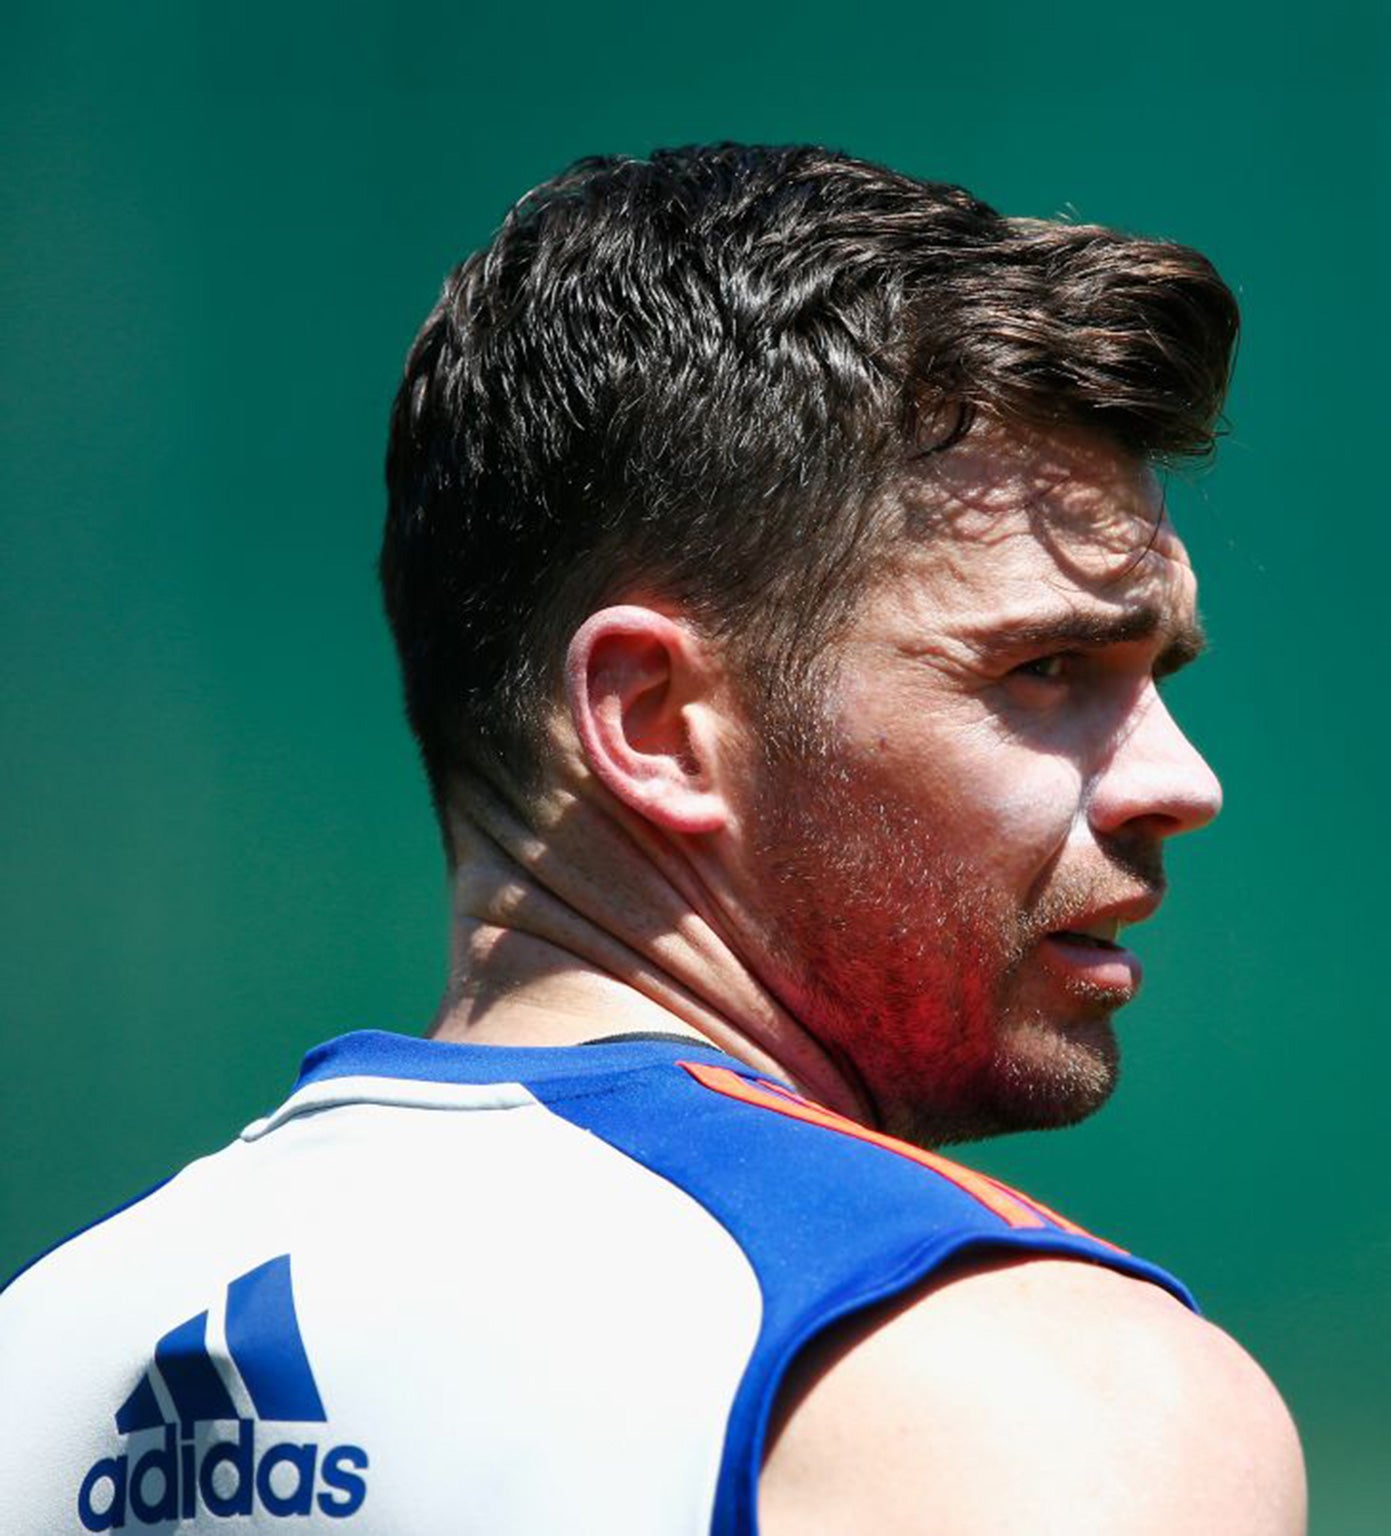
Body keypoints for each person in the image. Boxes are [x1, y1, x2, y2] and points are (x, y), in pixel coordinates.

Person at [0, 143, 1306, 1534]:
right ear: (659, 720)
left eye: (1162, 678)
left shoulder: (48, 1351)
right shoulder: (1030, 1391)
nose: (1181, 779)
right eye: (1045, 671)